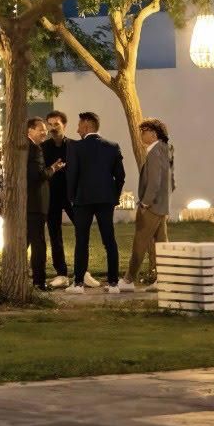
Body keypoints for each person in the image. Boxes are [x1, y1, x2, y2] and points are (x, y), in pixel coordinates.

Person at [67, 110, 125, 293]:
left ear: (86, 125)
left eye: (78, 126)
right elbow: (120, 176)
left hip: (83, 200)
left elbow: (72, 175)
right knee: (109, 240)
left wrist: (72, 197)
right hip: (106, 199)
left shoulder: (76, 147)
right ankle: (114, 283)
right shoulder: (113, 146)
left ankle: (78, 283)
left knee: (81, 241)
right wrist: (114, 197)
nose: (77, 131)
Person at [126, 117, 173, 287]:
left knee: (140, 241)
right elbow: (170, 181)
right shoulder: (164, 149)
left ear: (153, 134)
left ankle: (128, 280)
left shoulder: (155, 152)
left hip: (152, 206)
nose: (140, 135)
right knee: (162, 244)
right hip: (161, 205)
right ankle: (165, 278)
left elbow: (154, 181)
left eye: (143, 131)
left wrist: (145, 203)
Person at [41, 110, 74, 288]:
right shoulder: (43, 148)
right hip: (51, 197)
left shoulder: (74, 147)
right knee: (55, 235)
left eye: (56, 124)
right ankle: (61, 273)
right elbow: (41, 173)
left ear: (64, 125)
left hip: (72, 197)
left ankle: (83, 272)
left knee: (82, 232)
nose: (53, 128)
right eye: (50, 125)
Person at [25, 117, 52, 291]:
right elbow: (37, 175)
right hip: (36, 203)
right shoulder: (34, 149)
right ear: (30, 131)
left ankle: (22, 276)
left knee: (25, 241)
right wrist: (53, 169)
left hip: (27, 203)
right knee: (38, 243)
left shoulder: (24, 148)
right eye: (41, 129)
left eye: (45, 130)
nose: (44, 132)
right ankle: (39, 281)